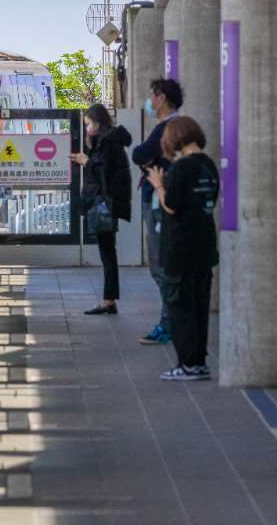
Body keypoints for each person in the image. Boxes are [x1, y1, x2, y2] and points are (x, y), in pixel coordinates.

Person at [147, 115, 219, 381]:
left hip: (180, 249)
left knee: (180, 307)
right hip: (205, 246)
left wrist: (158, 185)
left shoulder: (180, 168)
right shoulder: (209, 166)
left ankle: (186, 364)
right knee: (200, 308)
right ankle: (198, 362)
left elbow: (171, 205)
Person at [130, 78, 183, 344]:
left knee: (161, 267)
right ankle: (172, 321)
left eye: (151, 96)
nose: (149, 102)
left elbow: (140, 154)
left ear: (161, 98)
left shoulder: (167, 128)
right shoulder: (179, 127)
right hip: (165, 200)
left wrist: (148, 159)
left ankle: (169, 323)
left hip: (159, 201)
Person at [70, 103, 133, 315]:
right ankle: (109, 299)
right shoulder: (107, 142)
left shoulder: (108, 143)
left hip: (104, 203)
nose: (86, 128)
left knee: (107, 253)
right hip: (104, 202)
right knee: (108, 252)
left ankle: (108, 301)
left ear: (97, 122)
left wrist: (86, 160)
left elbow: (103, 172)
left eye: (88, 124)